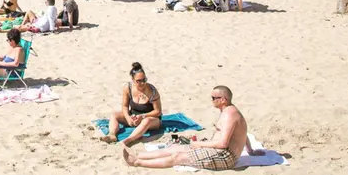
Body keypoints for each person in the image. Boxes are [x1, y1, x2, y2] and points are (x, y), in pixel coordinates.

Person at [122, 85, 263, 169]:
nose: (212, 100)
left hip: (226, 156)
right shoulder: (228, 111)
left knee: (178, 157)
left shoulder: (230, 115)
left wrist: (198, 144)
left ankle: (137, 162)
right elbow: (243, 132)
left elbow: (223, 143)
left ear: (223, 100)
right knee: (174, 148)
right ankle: (140, 155)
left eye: (214, 98)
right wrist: (250, 150)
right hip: (217, 149)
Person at [101, 62, 163, 145]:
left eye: (144, 80)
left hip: (151, 119)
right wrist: (128, 118)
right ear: (133, 80)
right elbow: (125, 106)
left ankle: (128, 140)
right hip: (134, 116)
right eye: (139, 81)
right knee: (114, 114)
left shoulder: (152, 91)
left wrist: (143, 116)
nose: (142, 83)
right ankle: (112, 135)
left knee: (146, 121)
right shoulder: (128, 88)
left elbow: (158, 111)